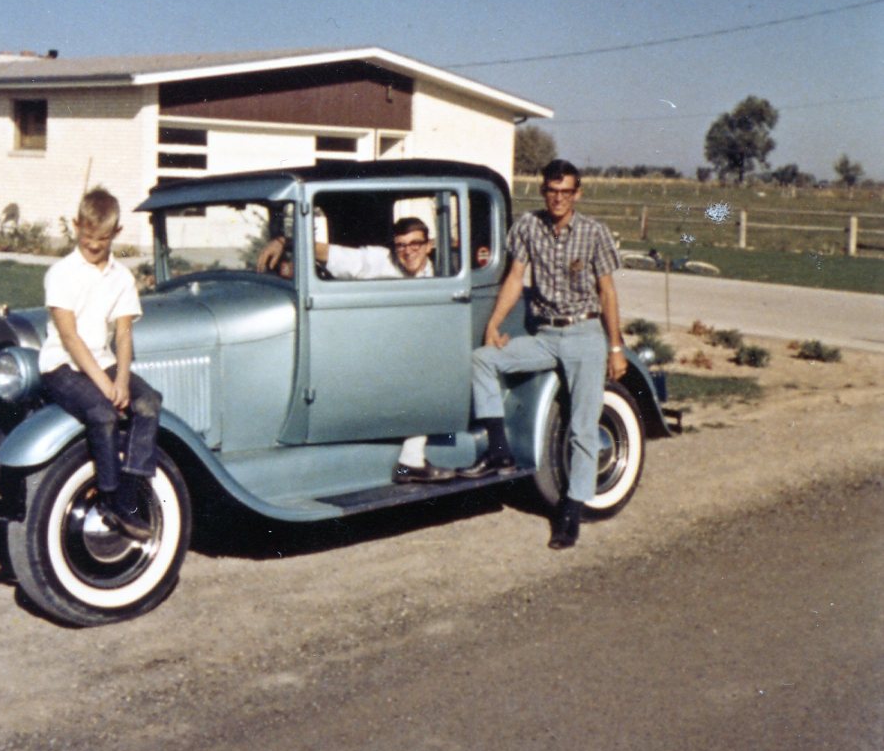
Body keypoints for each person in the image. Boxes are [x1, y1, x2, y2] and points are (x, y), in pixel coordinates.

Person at [457, 159, 628, 549]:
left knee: (584, 427)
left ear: (577, 193)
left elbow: (608, 292)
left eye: (566, 192)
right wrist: (493, 326)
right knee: (483, 360)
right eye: (552, 192)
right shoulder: (529, 227)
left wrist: (614, 347)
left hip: (585, 334)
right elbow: (516, 277)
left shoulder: (594, 232)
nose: (558, 199)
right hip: (546, 334)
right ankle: (499, 451)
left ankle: (571, 510)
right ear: (543, 192)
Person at [257, 216, 455, 483]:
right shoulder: (380, 261)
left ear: (429, 245)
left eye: (415, 244)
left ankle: (410, 460)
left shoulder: (445, 272)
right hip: (375, 349)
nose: (408, 251)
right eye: (401, 245)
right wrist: (285, 241)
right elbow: (332, 253)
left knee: (430, 368)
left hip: (416, 354)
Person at [38, 187, 162, 541]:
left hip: (103, 361)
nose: (94, 245)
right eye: (88, 236)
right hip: (62, 366)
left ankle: (130, 493)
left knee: (148, 403)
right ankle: (108, 497)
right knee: (103, 413)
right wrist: (105, 386)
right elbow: (70, 337)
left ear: (116, 234)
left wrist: (121, 379)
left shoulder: (121, 278)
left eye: (102, 239)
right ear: (77, 226)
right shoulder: (61, 273)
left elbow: (123, 334)